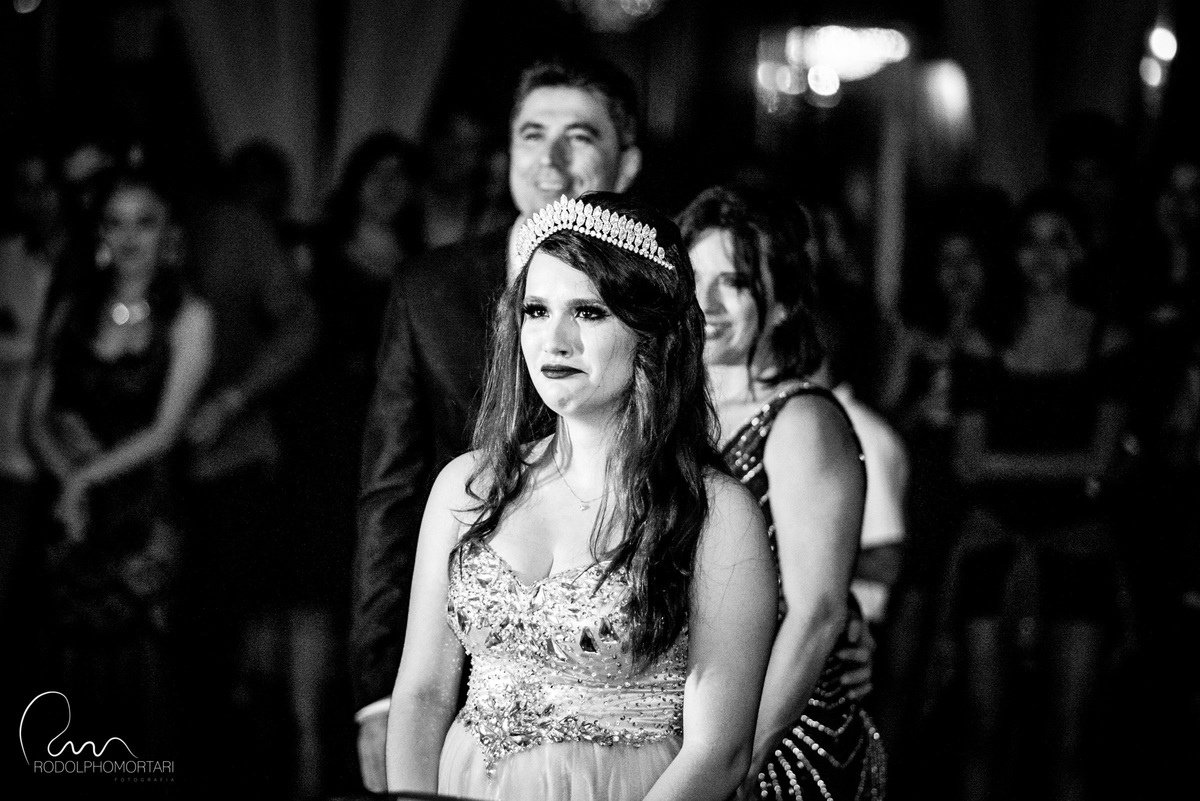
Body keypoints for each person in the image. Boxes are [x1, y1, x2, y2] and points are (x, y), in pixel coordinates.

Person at [385, 191, 777, 800]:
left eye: (589, 313)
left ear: (651, 334)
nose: (555, 341)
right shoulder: (467, 486)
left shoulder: (716, 512)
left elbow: (719, 752)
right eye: (536, 311)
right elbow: (423, 694)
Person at [351, 55, 643, 791]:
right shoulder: (431, 287)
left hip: (622, 671)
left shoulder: (663, 292)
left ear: (627, 162)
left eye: (580, 136)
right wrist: (381, 692)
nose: (551, 161)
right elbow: (391, 488)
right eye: (531, 134)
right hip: (457, 667)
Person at [678, 185, 886, 800]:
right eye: (695, 277)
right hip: (682, 726)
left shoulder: (802, 421)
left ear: (784, 302)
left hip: (779, 745)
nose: (707, 302)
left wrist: (737, 764)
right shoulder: (667, 415)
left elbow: (817, 614)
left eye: (735, 283)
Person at [946, 189, 1132, 801]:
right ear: (1013, 253)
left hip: (1078, 545)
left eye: (1059, 241)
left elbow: (1105, 457)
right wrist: (1072, 470)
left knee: (1070, 742)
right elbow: (967, 462)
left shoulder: (1107, 339)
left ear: (1079, 251)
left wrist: (1004, 466)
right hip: (994, 543)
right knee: (980, 732)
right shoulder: (984, 339)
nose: (1044, 255)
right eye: (1031, 241)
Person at [26, 167, 213, 751]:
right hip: (72, 512)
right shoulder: (72, 309)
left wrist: (81, 480)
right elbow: (35, 416)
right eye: (115, 222)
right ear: (100, 234)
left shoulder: (190, 316)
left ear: (169, 233)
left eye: (145, 221)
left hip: (144, 512)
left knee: (140, 674)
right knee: (65, 667)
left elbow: (166, 430)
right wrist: (69, 483)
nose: (130, 236)